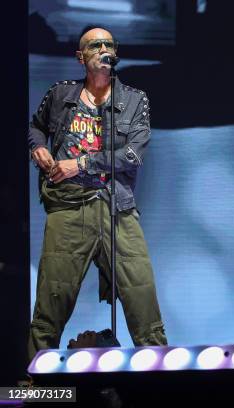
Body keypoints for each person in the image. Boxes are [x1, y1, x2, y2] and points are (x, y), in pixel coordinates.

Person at [27, 27, 167, 360]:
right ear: (81, 57)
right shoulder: (62, 95)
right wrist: (39, 148)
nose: (104, 48)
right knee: (51, 304)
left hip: (116, 207)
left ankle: (164, 385)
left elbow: (132, 156)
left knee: (142, 301)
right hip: (68, 208)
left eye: (109, 45)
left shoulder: (134, 99)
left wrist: (82, 163)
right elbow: (36, 126)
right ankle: (34, 387)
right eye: (95, 45)